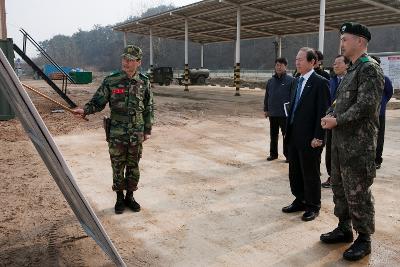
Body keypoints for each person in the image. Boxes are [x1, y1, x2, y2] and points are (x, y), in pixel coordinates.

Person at [321, 22, 384, 261]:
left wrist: (338, 121)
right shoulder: (352, 70)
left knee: (358, 192)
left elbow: (366, 107)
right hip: (340, 143)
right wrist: (330, 114)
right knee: (340, 187)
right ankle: (344, 228)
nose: (342, 43)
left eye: (345, 39)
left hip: (358, 146)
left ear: (360, 41)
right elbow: (340, 102)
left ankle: (364, 238)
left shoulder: (370, 69)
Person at [73, 45, 154, 214]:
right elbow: (98, 101)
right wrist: (85, 110)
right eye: (124, 59)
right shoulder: (112, 80)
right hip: (117, 131)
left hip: (136, 131)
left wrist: (147, 130)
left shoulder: (144, 81)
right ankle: (119, 197)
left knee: (133, 165)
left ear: (139, 62)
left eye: (130, 60)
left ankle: (130, 197)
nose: (126, 62)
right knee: (117, 165)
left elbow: (148, 107)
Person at [282, 47, 330, 221]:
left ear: (313, 62)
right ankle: (300, 199)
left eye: (301, 59)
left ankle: (313, 205)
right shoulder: (296, 81)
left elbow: (323, 112)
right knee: (295, 170)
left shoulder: (320, 82)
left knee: (310, 172)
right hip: (294, 133)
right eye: (296, 59)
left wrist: (319, 136)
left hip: (311, 138)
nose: (297, 62)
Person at [321, 55, 350, 188]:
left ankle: (343, 178)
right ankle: (332, 177)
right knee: (330, 151)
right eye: (334, 63)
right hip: (330, 120)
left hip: (345, 123)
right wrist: (328, 114)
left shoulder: (351, 81)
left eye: (339, 63)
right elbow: (329, 101)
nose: (335, 65)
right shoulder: (331, 80)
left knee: (343, 152)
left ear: (347, 65)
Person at [264, 57, 294, 162]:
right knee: (273, 135)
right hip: (273, 113)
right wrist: (266, 109)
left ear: (286, 66)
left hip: (285, 114)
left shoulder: (291, 80)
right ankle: (273, 154)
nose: (279, 67)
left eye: (281, 65)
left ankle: (288, 155)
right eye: (277, 65)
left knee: (286, 135)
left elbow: (293, 97)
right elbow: (267, 96)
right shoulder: (270, 81)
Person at [370, 56, 394, 170]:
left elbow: (389, 93)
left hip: (379, 113)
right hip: (366, 114)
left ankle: (377, 160)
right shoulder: (366, 78)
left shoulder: (384, 78)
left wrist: (382, 103)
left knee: (379, 137)